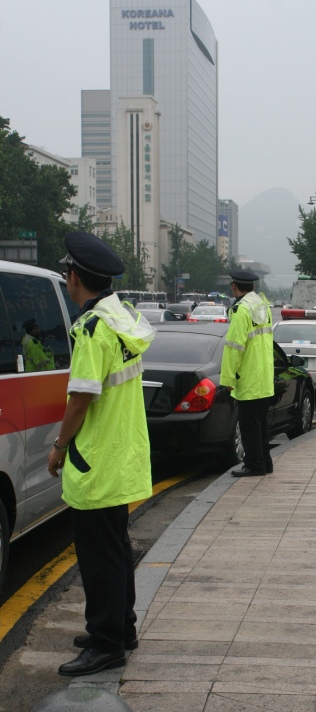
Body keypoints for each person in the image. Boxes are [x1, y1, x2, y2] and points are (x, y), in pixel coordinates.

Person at [47, 231, 155, 677]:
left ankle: (106, 643)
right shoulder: (122, 318)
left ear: (74, 278)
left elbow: (80, 399)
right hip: (121, 455)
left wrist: (58, 447)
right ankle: (120, 628)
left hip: (95, 459)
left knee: (98, 557)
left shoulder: (93, 329)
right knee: (116, 550)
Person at [221, 270, 274, 477]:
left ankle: (254, 465)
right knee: (260, 425)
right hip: (263, 376)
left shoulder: (241, 310)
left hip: (248, 377)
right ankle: (265, 462)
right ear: (252, 287)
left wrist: (227, 378)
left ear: (234, 286)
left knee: (249, 426)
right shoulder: (263, 306)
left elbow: (234, 346)